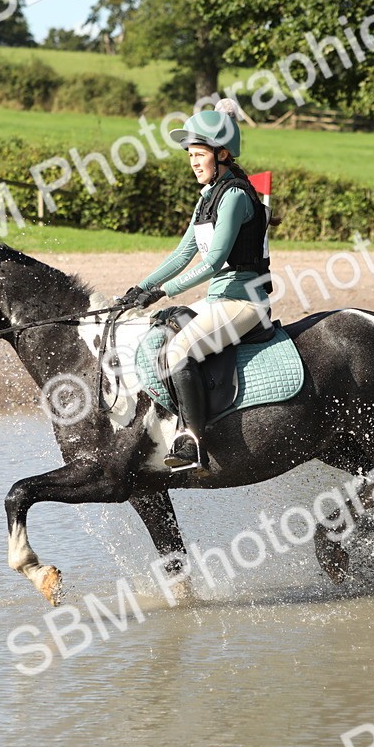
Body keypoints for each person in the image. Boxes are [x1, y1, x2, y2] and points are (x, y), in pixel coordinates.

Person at [117, 99, 273, 475]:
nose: (193, 162)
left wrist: (164, 291)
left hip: (245, 302)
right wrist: (139, 288)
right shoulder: (207, 199)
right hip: (218, 300)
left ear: (222, 154)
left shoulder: (235, 196)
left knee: (180, 350)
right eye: (190, 155)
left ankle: (193, 440)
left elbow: (214, 261)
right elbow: (182, 254)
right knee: (158, 330)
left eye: (199, 154)